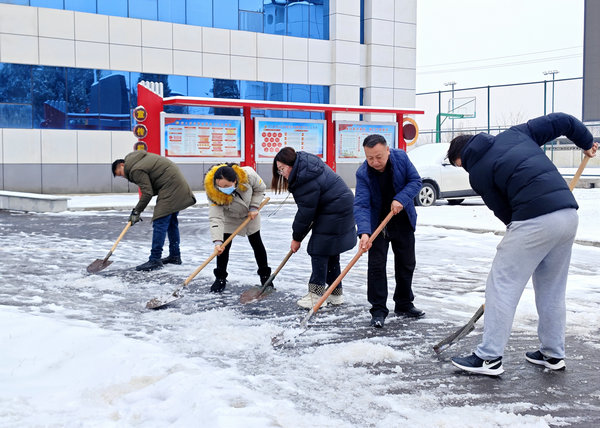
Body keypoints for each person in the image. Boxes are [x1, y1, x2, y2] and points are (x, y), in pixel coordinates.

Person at [447, 113, 598, 376]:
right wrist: (586, 142)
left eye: (460, 165)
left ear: (462, 158)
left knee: (502, 284)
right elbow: (562, 121)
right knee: (552, 289)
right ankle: (553, 354)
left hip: (533, 219)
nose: (464, 169)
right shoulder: (516, 133)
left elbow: (504, 212)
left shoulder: (478, 172)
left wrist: (524, 239)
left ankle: (489, 357)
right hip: (567, 215)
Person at [353, 134, 425, 329]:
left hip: (402, 219)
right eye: (370, 158)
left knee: (406, 263)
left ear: (387, 150)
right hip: (378, 224)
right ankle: (378, 310)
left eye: (378, 156)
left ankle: (404, 304)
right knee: (376, 267)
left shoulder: (401, 158)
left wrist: (401, 199)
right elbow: (361, 205)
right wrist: (365, 233)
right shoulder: (363, 173)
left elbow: (415, 181)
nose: (374, 162)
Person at [272, 147, 356, 308]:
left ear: (291, 164)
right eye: (278, 170)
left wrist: (296, 238)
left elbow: (305, 214)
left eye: (282, 169)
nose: (281, 173)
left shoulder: (305, 178)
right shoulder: (306, 167)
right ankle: (335, 293)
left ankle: (315, 295)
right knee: (330, 251)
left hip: (335, 210)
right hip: (340, 207)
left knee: (318, 249)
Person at [112, 151, 196, 271]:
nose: (123, 176)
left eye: (120, 174)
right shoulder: (138, 161)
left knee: (160, 221)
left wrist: (136, 211)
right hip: (175, 185)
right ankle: (175, 255)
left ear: (122, 165)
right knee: (171, 222)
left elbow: (147, 193)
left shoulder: (135, 169)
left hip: (170, 187)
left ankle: (155, 259)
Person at [205, 163, 271, 292]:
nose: (222, 189)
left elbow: (260, 189)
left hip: (250, 213)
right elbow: (216, 217)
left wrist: (254, 206)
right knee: (223, 248)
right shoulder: (213, 192)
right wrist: (217, 242)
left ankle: (265, 277)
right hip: (229, 217)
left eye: (226, 186)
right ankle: (220, 278)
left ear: (235, 181)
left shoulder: (248, 175)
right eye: (220, 186)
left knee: (257, 244)